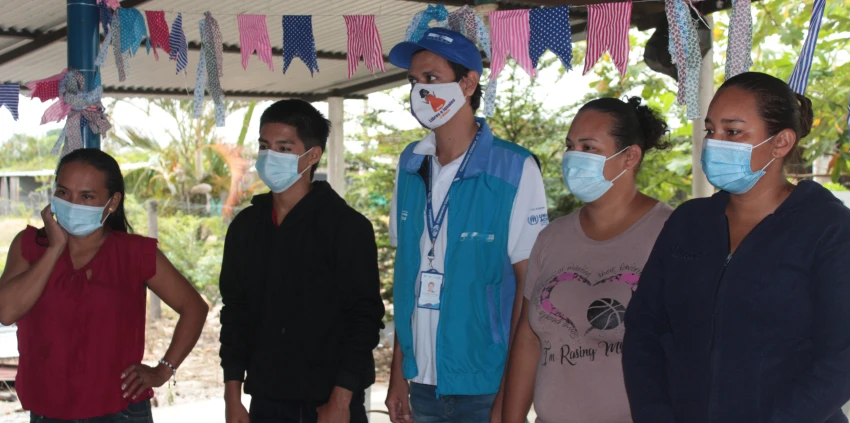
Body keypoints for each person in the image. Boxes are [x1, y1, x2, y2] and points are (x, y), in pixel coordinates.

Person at [623, 71, 850, 423]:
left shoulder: (828, 228)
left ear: (781, 142)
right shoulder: (689, 222)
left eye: (733, 131)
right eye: (711, 130)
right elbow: (644, 331)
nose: (714, 142)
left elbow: (841, 359)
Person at [385, 27, 549, 423]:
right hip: (421, 382)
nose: (419, 92)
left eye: (430, 79)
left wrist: (509, 397)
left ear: (469, 82)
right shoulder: (410, 164)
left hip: (485, 384)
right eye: (413, 81)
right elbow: (407, 278)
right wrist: (397, 374)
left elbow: (530, 289)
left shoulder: (514, 167)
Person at [0, 148, 207, 422]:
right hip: (45, 410)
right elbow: (6, 312)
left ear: (112, 202)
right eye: (63, 192)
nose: (72, 203)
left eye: (86, 196)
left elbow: (194, 308)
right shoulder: (29, 245)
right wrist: (54, 249)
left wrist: (163, 370)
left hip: (119, 410)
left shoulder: (134, 253)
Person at [501, 97, 673, 423]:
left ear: (630, 157)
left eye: (589, 147)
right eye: (570, 145)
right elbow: (527, 338)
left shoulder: (670, 233)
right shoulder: (552, 238)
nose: (573, 157)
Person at [219, 99, 385, 423]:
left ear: (312, 155)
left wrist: (341, 400)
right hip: (265, 401)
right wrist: (232, 396)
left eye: (284, 147)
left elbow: (363, 318)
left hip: (328, 403)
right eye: (264, 146)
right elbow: (235, 314)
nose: (270, 157)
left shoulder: (346, 227)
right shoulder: (247, 227)